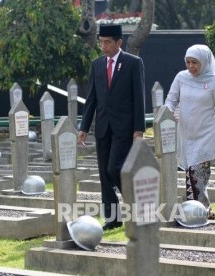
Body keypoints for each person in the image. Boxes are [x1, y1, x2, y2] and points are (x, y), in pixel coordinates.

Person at [78, 24, 146, 231]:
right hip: (103, 126)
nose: (103, 47)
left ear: (119, 42)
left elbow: (138, 97)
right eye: (101, 42)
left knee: (113, 168)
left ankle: (135, 202)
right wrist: (84, 127)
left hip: (124, 128)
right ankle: (113, 218)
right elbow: (91, 99)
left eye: (108, 42)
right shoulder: (97, 65)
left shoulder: (133, 63)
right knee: (103, 174)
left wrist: (138, 129)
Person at [164, 44, 215, 220]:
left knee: (196, 175)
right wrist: (167, 112)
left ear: (205, 62)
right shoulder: (181, 78)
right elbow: (171, 100)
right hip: (186, 135)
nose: (191, 66)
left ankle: (197, 212)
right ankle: (203, 211)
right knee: (190, 174)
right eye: (188, 62)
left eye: (195, 62)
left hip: (207, 135)